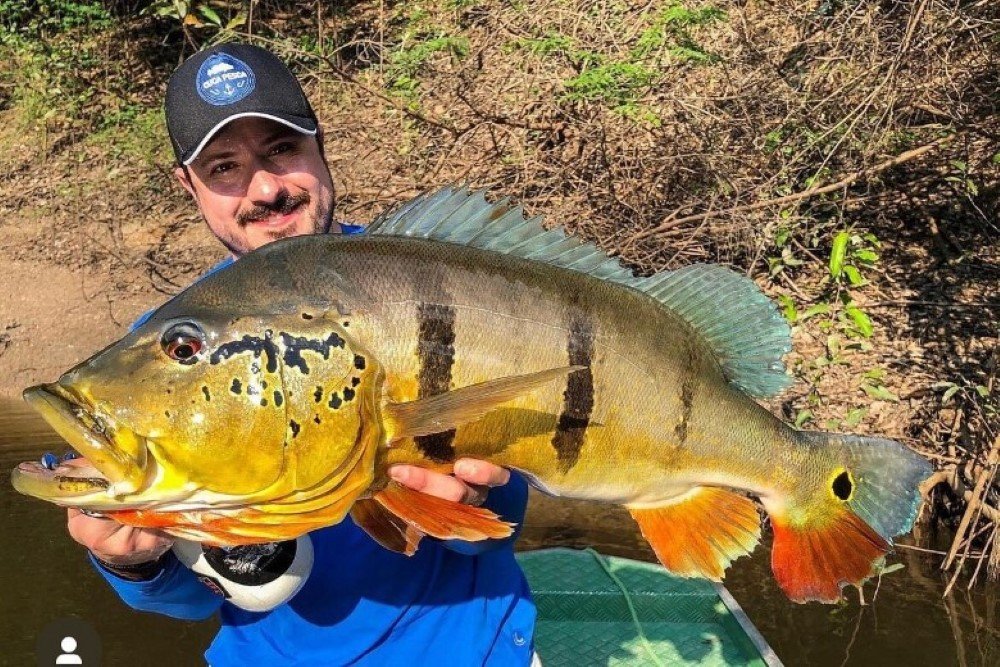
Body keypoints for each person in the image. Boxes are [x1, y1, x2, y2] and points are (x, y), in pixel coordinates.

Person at [58, 43, 535, 665]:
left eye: (282, 149)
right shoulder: (164, 350)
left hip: (474, 647)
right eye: (223, 166)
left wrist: (477, 505)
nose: (263, 188)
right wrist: (134, 562)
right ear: (189, 185)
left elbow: (502, 530)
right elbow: (191, 600)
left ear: (319, 145)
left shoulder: (441, 287)